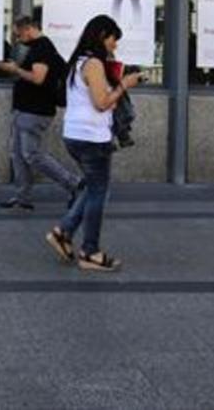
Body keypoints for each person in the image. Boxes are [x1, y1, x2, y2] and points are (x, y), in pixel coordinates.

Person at [45, 15, 141, 271]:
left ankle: (62, 232)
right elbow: (101, 103)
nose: (115, 45)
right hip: (91, 139)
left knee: (91, 188)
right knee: (99, 192)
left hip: (75, 135)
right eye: (113, 39)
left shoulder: (78, 61)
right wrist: (124, 85)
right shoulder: (94, 64)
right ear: (101, 36)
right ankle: (90, 252)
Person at [0, 14, 79, 210]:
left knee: (32, 154)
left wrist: (15, 69)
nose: (17, 39)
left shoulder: (42, 48)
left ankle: (75, 184)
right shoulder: (37, 47)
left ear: (28, 29)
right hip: (25, 109)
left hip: (35, 111)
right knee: (17, 153)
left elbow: (38, 78)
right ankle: (22, 197)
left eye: (18, 35)